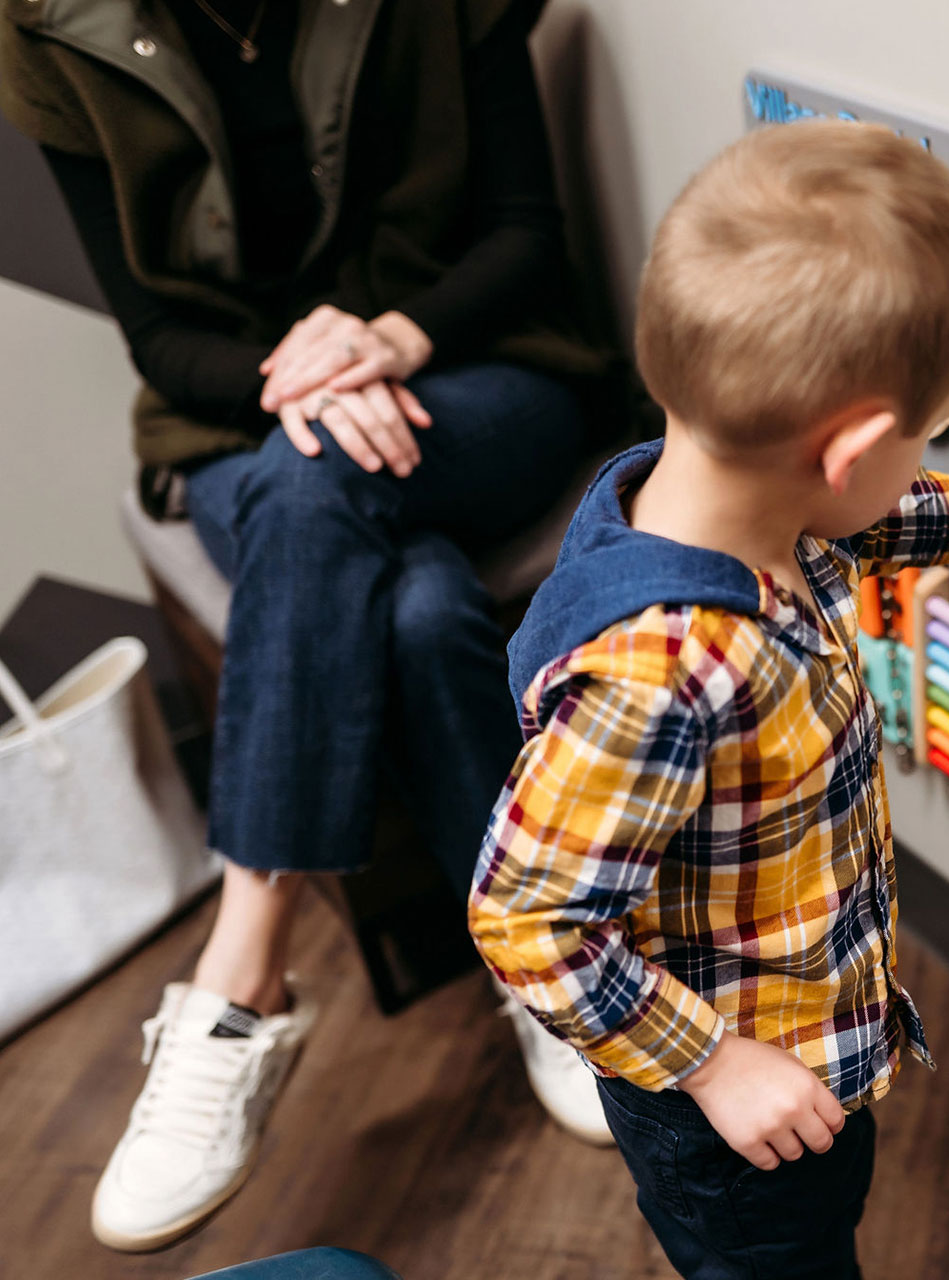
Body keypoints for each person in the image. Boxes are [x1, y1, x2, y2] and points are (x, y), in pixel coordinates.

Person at [0, 0, 620, 1253]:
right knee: (418, 601)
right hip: (247, 422)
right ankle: (545, 967)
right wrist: (301, 384)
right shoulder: (47, 22)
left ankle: (240, 976)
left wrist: (387, 341)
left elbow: (524, 238)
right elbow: (160, 339)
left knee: (317, 480)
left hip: (482, 372)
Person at [468, 119, 949, 1278]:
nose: (920, 460)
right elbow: (525, 920)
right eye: (923, 437)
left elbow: (861, 517)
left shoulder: (722, 494)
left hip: (800, 1041)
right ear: (852, 445)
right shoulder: (661, 668)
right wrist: (715, 1063)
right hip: (729, 1116)